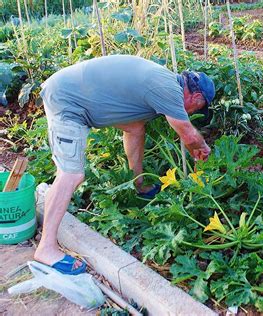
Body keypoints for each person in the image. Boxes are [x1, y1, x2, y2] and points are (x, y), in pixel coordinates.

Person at [34, 55, 215, 275]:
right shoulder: (168, 88)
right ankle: (46, 248)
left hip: (77, 96)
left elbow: (138, 127)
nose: (194, 112)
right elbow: (187, 133)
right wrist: (203, 149)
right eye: (199, 107)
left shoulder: (163, 83)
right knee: (71, 174)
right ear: (195, 96)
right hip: (68, 101)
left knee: (135, 128)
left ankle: (138, 185)